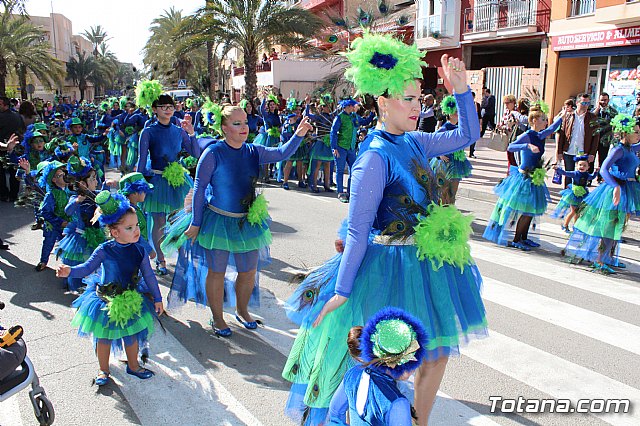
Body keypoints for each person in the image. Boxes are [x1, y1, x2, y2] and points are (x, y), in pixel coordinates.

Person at [282, 32, 485, 426]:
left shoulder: (413, 142)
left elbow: (467, 135)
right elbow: (358, 230)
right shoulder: (373, 158)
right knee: (380, 360)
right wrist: (342, 291)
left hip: (426, 266)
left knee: (436, 353)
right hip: (387, 268)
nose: (416, 106)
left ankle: (418, 421)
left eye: (419, 98)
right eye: (407, 99)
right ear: (382, 101)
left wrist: (462, 92)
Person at [168, 105, 313, 337]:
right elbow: (199, 187)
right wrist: (195, 222)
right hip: (218, 222)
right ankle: (217, 317)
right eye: (237, 124)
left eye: (245, 122)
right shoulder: (213, 153)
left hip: (246, 223)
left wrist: (300, 133)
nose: (244, 127)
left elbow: (282, 152)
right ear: (224, 128)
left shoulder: (254, 151)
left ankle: (242, 310)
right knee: (217, 271)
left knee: (248, 271)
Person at [56, 191, 164, 386]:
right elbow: (87, 268)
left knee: (131, 335)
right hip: (105, 301)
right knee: (103, 338)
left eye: (137, 225)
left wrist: (157, 298)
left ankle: (133, 365)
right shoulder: (104, 250)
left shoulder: (140, 249)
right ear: (115, 232)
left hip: (130, 298)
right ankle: (103, 370)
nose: (136, 230)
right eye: (129, 227)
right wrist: (69, 271)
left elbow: (149, 276)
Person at [564, 114, 640, 274]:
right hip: (613, 190)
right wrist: (615, 187)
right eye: (636, 132)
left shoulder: (630, 148)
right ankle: (599, 259)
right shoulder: (618, 149)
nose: (638, 135)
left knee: (617, 226)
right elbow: (604, 169)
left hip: (626, 188)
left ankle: (609, 257)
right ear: (626, 133)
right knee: (607, 226)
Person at [136, 87, 199, 275]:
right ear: (154, 109)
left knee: (180, 220)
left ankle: (182, 258)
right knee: (159, 222)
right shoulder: (148, 132)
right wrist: (138, 184)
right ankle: (161, 260)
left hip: (178, 180)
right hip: (157, 180)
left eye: (170, 106)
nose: (167, 109)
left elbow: (195, 152)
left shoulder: (179, 130)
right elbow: (141, 159)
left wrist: (192, 133)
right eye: (162, 106)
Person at [483, 103, 563, 250]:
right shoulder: (527, 135)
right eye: (543, 119)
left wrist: (563, 115)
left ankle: (524, 238)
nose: (546, 122)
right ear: (534, 121)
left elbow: (552, 128)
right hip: (523, 179)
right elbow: (510, 147)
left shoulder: (540, 135)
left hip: (534, 177)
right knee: (525, 211)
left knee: (530, 210)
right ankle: (516, 239)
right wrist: (527, 146)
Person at [328, 307, 427, 425]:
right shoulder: (397, 404)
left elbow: (335, 413)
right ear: (396, 363)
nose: (415, 368)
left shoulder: (352, 374)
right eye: (412, 360)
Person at [429, 95, 472, 204]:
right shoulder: (445, 128)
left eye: (458, 111)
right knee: (443, 192)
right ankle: (442, 215)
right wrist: (439, 155)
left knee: (453, 192)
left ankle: (450, 215)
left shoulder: (459, 127)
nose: (457, 113)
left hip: (456, 162)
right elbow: (432, 142)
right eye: (455, 111)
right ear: (449, 113)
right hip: (446, 163)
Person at [330, 99, 375, 202]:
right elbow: (333, 132)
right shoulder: (339, 117)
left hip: (351, 148)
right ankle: (341, 192)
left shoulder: (354, 116)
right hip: (341, 147)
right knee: (340, 170)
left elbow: (364, 122)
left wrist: (372, 114)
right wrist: (334, 148)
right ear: (347, 106)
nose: (354, 107)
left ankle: (350, 192)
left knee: (353, 170)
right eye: (352, 105)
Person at [555, 93, 599, 187]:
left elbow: (596, 137)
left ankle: (579, 197)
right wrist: (559, 152)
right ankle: (567, 196)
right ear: (577, 103)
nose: (586, 106)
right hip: (569, 151)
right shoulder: (568, 116)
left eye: (588, 103)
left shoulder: (592, 118)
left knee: (581, 177)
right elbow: (561, 135)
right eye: (583, 103)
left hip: (583, 152)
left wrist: (592, 153)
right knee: (568, 174)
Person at [35, 161, 70, 272]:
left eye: (64, 173)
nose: (64, 176)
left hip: (66, 224)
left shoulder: (69, 190)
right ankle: (43, 261)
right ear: (54, 180)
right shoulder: (51, 194)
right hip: (52, 224)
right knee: (49, 243)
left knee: (67, 244)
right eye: (60, 175)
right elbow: (45, 212)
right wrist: (59, 221)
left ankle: (67, 265)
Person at [551, 155, 598, 233]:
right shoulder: (575, 173)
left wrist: (596, 172)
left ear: (588, 167)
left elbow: (592, 177)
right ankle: (565, 225)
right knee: (573, 211)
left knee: (578, 212)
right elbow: (565, 173)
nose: (581, 167)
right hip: (574, 195)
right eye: (580, 165)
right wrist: (558, 169)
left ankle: (575, 227)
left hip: (583, 194)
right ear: (577, 165)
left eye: (584, 165)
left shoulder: (586, 175)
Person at [0, 96, 25, 202]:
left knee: (1, 173)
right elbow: (23, 130)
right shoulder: (17, 116)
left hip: (3, 148)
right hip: (16, 147)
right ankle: (13, 195)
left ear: (5, 105)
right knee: (14, 172)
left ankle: (4, 194)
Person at [592, 92, 617, 182]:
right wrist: (598, 109)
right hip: (594, 138)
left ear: (608, 100)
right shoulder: (595, 110)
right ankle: (589, 177)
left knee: (602, 159)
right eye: (601, 100)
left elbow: (616, 123)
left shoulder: (613, 111)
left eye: (605, 100)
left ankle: (600, 177)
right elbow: (590, 118)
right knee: (591, 158)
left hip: (606, 139)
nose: (603, 102)